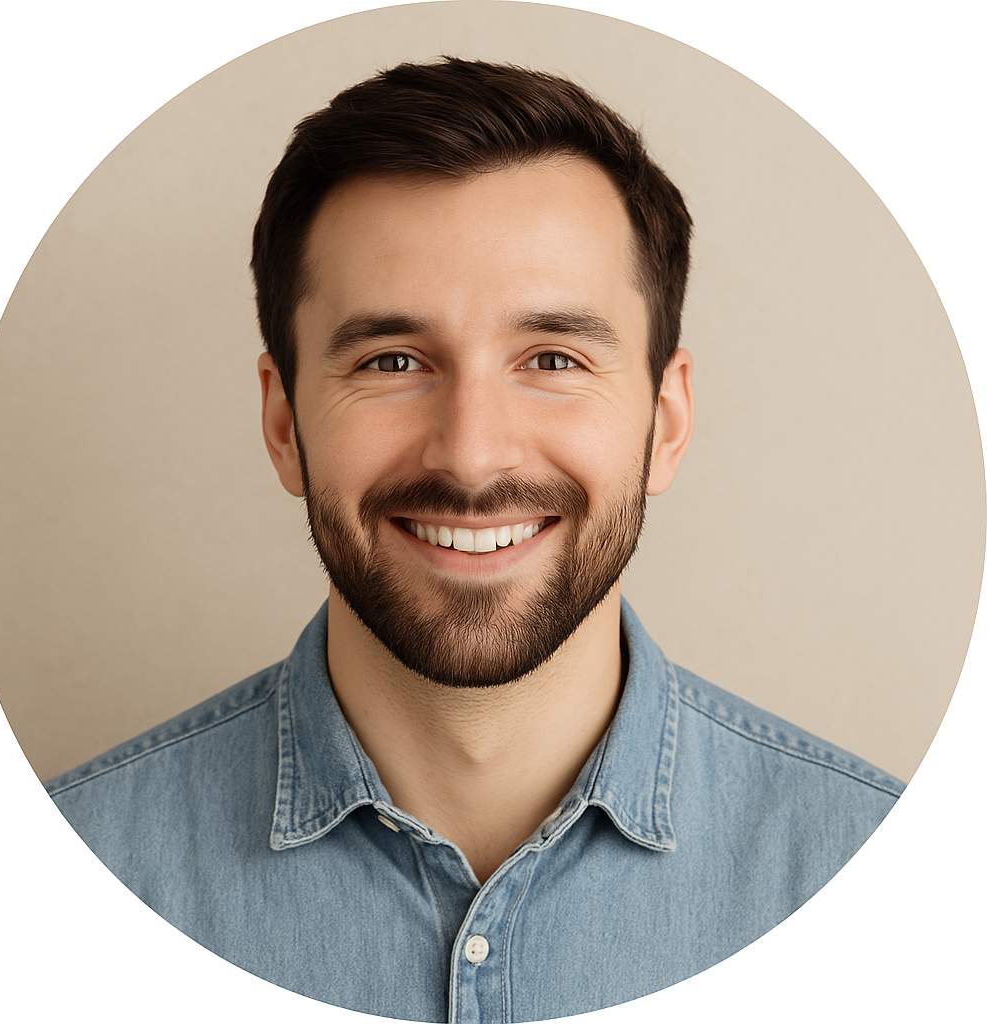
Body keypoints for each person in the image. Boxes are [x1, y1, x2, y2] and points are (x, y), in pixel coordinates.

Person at [47, 58, 903, 1022]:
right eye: (394, 360)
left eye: (551, 358)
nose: (471, 455)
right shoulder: (47, 894)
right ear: (284, 423)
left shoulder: (896, 893)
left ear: (664, 422)